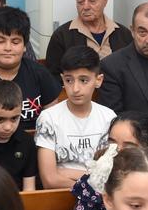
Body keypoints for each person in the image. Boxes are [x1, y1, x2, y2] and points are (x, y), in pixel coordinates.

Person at [36, 47, 116, 190]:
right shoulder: (48, 118)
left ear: (98, 80)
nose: (75, 89)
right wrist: (93, 181)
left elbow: (111, 175)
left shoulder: (108, 117)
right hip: (59, 197)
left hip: (101, 199)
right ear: (62, 79)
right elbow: (50, 180)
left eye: (83, 80)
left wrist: (64, 171)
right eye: (69, 80)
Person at [44, 0, 132, 76]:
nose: (86, 7)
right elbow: (52, 76)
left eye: (92, 1)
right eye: (80, 2)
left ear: (105, 0)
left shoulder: (124, 34)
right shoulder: (61, 36)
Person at [0, 80, 37, 191]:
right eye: (0, 119)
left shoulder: (27, 143)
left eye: (14, 118)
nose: (8, 127)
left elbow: (29, 188)